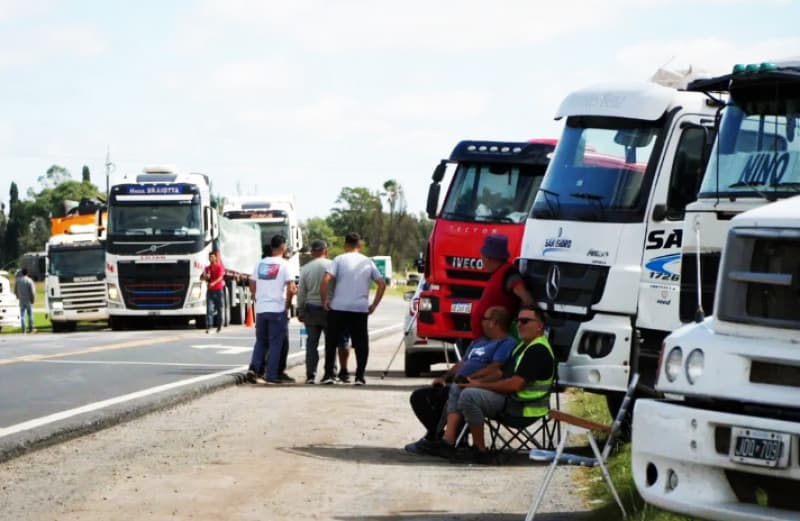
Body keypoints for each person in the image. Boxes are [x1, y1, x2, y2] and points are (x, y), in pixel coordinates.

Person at [431, 305, 555, 464]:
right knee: (462, 389)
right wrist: (474, 382)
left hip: (523, 408)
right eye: (518, 321)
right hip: (513, 400)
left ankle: (479, 450)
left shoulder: (537, 350)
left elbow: (514, 385)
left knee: (470, 396)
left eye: (525, 321)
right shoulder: (523, 346)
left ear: (539, 326)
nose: (519, 325)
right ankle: (447, 439)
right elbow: (502, 374)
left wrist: (478, 386)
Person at [405, 305, 516, 455]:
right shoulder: (479, 341)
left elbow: (495, 368)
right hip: (457, 382)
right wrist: (444, 377)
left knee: (450, 397)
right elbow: (462, 363)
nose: (481, 322)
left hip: (475, 385)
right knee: (420, 396)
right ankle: (438, 437)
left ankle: (441, 439)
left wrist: (470, 379)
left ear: (494, 322)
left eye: (484, 319)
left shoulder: (506, 343)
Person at [319, 232, 386, 386]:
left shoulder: (339, 259)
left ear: (345, 244)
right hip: (359, 308)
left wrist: (324, 301)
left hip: (338, 307)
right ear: (359, 245)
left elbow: (325, 280)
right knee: (361, 343)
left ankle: (329, 374)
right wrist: (374, 304)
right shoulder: (367, 262)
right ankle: (360, 376)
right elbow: (381, 283)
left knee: (332, 342)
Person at [246, 234, 298, 384]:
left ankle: (255, 370)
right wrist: (287, 305)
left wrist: (260, 296)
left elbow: (252, 285)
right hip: (277, 308)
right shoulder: (286, 264)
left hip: (261, 308)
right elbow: (291, 287)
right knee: (276, 343)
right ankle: (271, 375)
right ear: (283, 247)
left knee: (261, 341)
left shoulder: (260, 264)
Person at [469, 233, 534, 341]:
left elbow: (524, 295)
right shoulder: (497, 273)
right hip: (485, 339)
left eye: (482, 256)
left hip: (495, 340)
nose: (482, 260)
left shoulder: (508, 272)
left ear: (489, 257)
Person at [297, 239, 332, 384]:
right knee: (331, 343)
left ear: (312, 253)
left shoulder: (305, 268)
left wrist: (300, 310)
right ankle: (330, 374)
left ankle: (311, 375)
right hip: (330, 309)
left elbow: (301, 292)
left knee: (311, 344)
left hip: (311, 309)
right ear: (325, 251)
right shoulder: (332, 265)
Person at [200, 250, 225, 334]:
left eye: (212, 257)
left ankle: (219, 325)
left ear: (215, 258)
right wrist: (205, 277)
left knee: (220, 309)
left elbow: (220, 277)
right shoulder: (207, 268)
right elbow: (202, 278)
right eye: (209, 257)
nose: (211, 258)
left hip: (218, 290)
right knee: (209, 309)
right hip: (210, 291)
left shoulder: (219, 267)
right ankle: (209, 326)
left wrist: (213, 282)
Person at [15, 268, 35, 334]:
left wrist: (18, 297)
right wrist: (33, 299)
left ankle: (23, 329)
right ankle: (31, 328)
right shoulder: (29, 281)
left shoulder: (18, 281)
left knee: (22, 315)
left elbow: (15, 291)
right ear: (27, 273)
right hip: (28, 300)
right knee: (30, 315)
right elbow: (32, 292)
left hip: (21, 300)